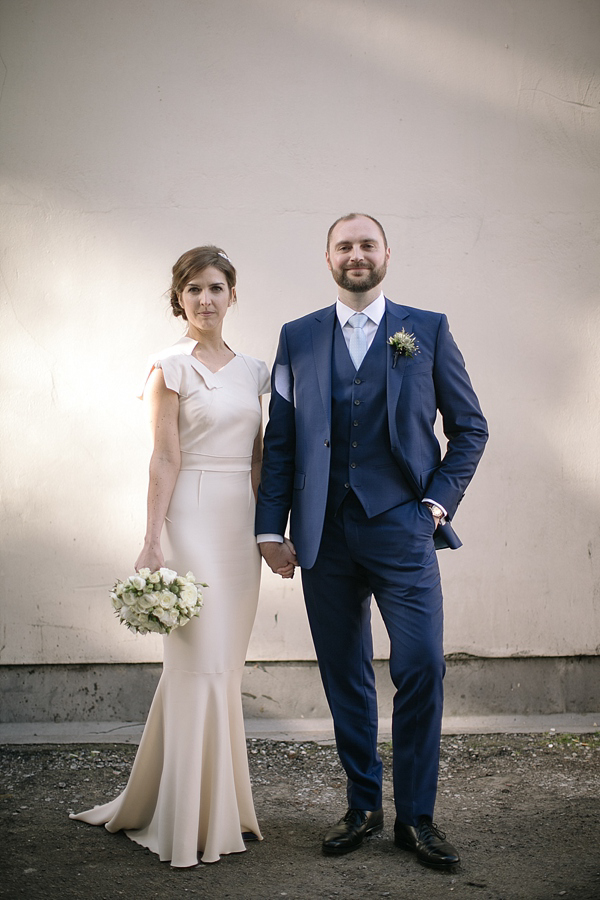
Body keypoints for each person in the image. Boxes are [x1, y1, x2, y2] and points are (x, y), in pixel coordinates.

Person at [256, 214, 488, 869]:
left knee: (421, 665)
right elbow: (281, 443)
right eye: (344, 246)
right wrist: (270, 529)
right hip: (323, 533)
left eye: (366, 245)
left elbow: (470, 428)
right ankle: (363, 806)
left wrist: (437, 504)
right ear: (328, 257)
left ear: (386, 253)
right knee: (345, 676)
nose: (356, 255)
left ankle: (417, 818)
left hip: (403, 527)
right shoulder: (297, 336)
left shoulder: (427, 329)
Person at [71, 246, 285, 866]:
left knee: (224, 668)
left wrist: (270, 531)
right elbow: (163, 457)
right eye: (194, 290)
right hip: (189, 519)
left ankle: (221, 807)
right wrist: (151, 537)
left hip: (239, 524)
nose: (206, 299)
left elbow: (258, 460)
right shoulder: (168, 367)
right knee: (196, 662)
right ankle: (186, 819)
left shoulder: (255, 372)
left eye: (217, 288)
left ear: (233, 295)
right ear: (180, 299)